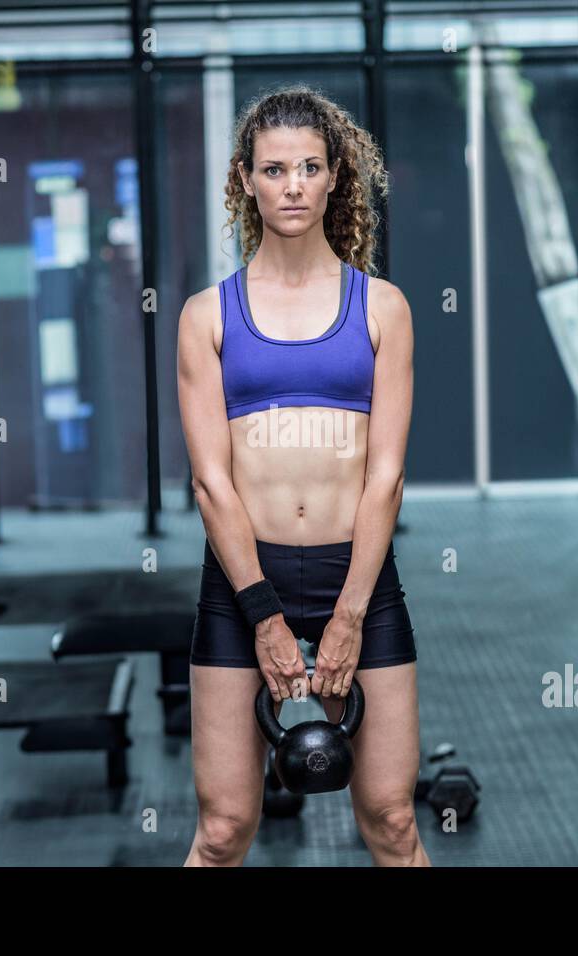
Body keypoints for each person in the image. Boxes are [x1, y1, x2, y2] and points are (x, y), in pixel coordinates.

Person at [177, 84, 429, 866]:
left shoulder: (382, 308)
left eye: (309, 167)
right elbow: (211, 486)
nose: (292, 185)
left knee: (390, 819)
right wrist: (263, 616)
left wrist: (350, 614)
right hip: (242, 585)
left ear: (333, 179)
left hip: (360, 581)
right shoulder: (206, 316)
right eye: (275, 168)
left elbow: (385, 476)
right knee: (223, 832)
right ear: (246, 180)